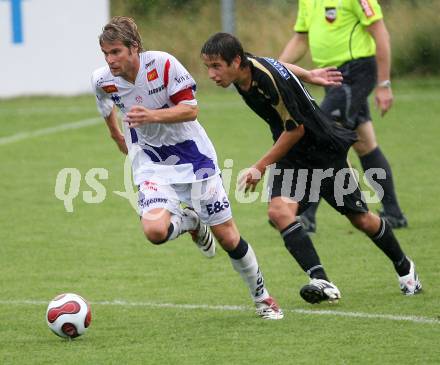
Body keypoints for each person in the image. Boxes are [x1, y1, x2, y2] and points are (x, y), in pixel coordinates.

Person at [200, 32, 421, 304]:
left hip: (323, 152)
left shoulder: (265, 81)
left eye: (216, 66)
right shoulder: (246, 69)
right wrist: (310, 74)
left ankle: (405, 268)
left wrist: (259, 166)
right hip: (293, 156)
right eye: (207, 67)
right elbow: (278, 63)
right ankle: (322, 281)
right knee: (280, 212)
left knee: (360, 218)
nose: (211, 74)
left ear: (236, 61)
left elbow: (295, 130)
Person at [91, 17, 283, 319]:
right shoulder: (103, 79)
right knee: (154, 231)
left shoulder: (163, 65)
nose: (110, 59)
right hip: (151, 163)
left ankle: (263, 298)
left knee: (228, 238)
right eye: (106, 53)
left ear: (134, 48)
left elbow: (191, 109)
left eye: (116, 52)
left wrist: (151, 116)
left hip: (194, 160)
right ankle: (191, 223)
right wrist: (118, 136)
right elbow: (105, 107)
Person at [279, 0, 407, 233]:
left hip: (357, 72)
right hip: (332, 76)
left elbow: (380, 33)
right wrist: (276, 67)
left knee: (319, 137)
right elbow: (300, 39)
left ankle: (306, 215)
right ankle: (394, 213)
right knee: (365, 144)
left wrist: (384, 83)